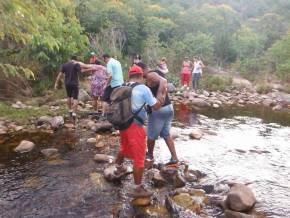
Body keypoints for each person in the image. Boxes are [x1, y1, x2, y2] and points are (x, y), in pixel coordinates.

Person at [113, 65, 161, 198]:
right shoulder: (143, 88)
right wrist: (161, 96)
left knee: (124, 146)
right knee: (140, 157)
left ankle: (119, 168)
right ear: (141, 76)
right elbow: (155, 106)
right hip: (135, 126)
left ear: (129, 76)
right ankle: (137, 187)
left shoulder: (122, 86)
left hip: (122, 124)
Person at [136, 62, 179, 167]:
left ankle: (150, 156)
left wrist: (160, 94)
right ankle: (174, 158)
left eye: (139, 71)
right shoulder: (155, 73)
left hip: (159, 110)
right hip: (168, 108)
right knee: (166, 134)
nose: (139, 74)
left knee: (151, 135)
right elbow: (163, 84)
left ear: (143, 69)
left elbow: (164, 81)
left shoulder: (150, 74)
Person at [54, 55, 84, 119]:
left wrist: (56, 83)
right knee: (75, 98)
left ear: (70, 59)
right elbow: (81, 71)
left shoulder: (65, 65)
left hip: (67, 84)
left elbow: (60, 74)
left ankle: (70, 110)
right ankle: (74, 113)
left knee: (69, 97)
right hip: (74, 84)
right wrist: (91, 68)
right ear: (76, 59)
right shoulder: (76, 64)